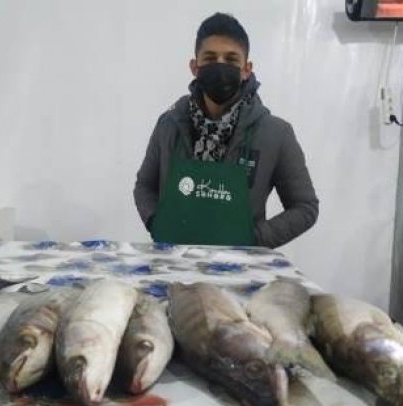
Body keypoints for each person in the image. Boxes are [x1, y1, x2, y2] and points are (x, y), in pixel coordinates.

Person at [133, 12, 318, 249]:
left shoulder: (276, 134)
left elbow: (305, 207)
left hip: (241, 265)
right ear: (194, 67)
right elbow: (145, 186)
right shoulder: (169, 124)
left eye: (231, 59)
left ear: (246, 69)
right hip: (174, 261)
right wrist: (157, 223)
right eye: (210, 58)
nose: (220, 66)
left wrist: (253, 239)